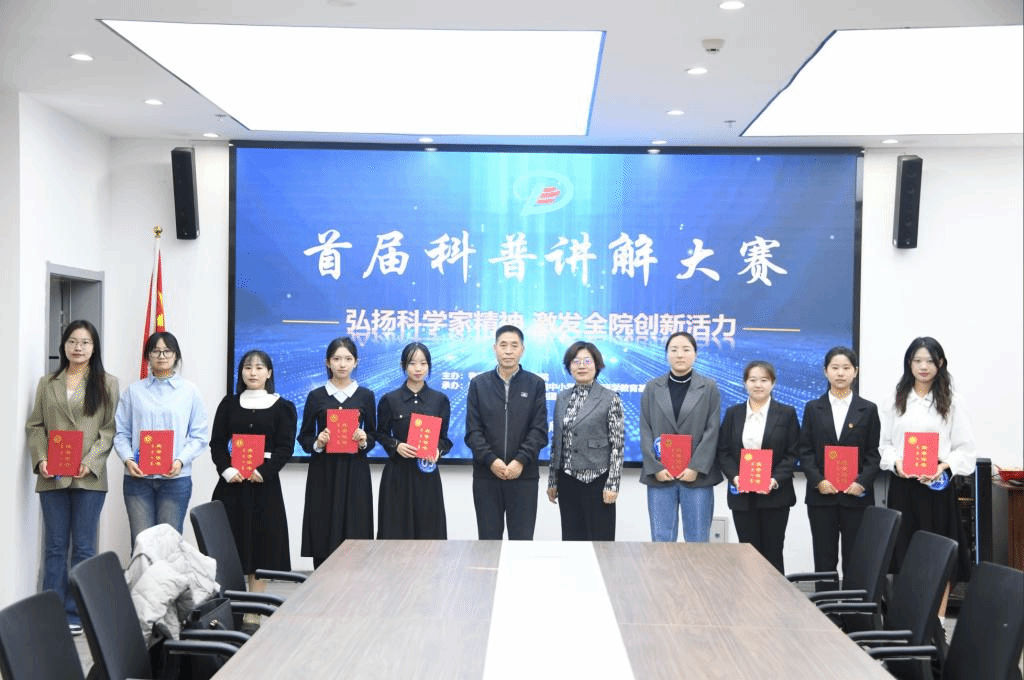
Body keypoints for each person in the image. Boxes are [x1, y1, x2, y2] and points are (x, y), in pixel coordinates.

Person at [25, 320, 119, 635]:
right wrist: (41, 459)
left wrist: (90, 463)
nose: (78, 348)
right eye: (72, 341)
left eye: (85, 342)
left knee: (83, 547)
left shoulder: (107, 383)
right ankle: (50, 611)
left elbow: (109, 430)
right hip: (52, 477)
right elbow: (35, 426)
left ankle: (76, 612)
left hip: (88, 479)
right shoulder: (47, 382)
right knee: (54, 546)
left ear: (94, 347)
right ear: (64, 345)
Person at [879, 337, 975, 582]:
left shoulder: (952, 401)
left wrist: (943, 467)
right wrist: (896, 463)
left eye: (930, 361)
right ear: (909, 363)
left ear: (940, 363)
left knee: (939, 555)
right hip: (903, 486)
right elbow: (885, 444)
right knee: (904, 551)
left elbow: (965, 449)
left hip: (936, 488)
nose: (924, 366)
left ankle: (940, 608)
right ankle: (907, 605)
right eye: (918, 360)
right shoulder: (894, 400)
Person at [209, 349, 296, 597]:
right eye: (248, 367)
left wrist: (265, 471)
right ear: (241, 373)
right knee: (229, 545)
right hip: (232, 485)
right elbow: (217, 443)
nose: (253, 373)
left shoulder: (282, 407)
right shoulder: (229, 404)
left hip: (264, 486)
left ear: (269, 373)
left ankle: (253, 609)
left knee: (261, 547)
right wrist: (226, 470)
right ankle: (231, 604)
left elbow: (285, 448)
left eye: (259, 368)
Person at [114, 331, 209, 550]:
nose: (161, 356)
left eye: (167, 351)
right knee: (142, 544)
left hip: (175, 480)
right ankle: (142, 576)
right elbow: (121, 433)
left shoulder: (190, 391)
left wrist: (180, 461)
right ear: (148, 356)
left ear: (176, 355)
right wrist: (128, 459)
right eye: (155, 351)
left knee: (169, 545)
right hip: (138, 479)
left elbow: (199, 435)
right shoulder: (133, 391)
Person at [797, 346, 881, 585]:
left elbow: (874, 454)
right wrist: (818, 481)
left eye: (846, 368)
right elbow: (805, 451)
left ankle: (854, 608)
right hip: (822, 496)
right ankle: (826, 606)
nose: (840, 373)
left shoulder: (868, 409)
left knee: (856, 558)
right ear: (826, 371)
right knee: (824, 559)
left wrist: (861, 483)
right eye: (835, 368)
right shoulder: (813, 408)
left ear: (856, 372)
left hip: (856, 496)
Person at [465, 325, 548, 540]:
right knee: (488, 542)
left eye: (514, 345)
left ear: (522, 350)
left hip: (524, 476)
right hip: (486, 476)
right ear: (495, 348)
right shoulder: (478, 384)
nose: (508, 351)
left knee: (522, 542)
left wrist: (519, 461)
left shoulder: (535, 384)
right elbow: (473, 431)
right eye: (503, 345)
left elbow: (539, 430)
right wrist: (492, 461)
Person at [298, 336, 376, 567]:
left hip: (355, 473)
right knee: (323, 530)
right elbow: (304, 436)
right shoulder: (316, 396)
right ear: (327, 362)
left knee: (355, 530)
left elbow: (374, 434)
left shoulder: (365, 395)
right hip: (324, 473)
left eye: (348, 359)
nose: (342, 364)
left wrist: (364, 439)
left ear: (356, 362)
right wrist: (318, 442)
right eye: (337, 359)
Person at [716, 360, 800, 572]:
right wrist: (735, 477)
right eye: (753, 380)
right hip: (742, 495)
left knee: (773, 554)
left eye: (764, 380)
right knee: (747, 555)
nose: (758, 385)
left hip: (775, 496)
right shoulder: (733, 413)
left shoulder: (787, 413)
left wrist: (774, 479)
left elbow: (793, 453)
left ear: (773, 383)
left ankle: (774, 594)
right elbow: (723, 451)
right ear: (745, 383)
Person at [639, 331, 722, 542]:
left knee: (697, 539)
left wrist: (696, 467)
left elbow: (712, 430)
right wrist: (656, 467)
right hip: (661, 475)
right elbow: (645, 429)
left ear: (695, 354)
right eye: (673, 350)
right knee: (661, 538)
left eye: (686, 349)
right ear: (666, 354)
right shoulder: (652, 387)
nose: (679, 354)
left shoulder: (709, 387)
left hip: (697, 477)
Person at [546, 341, 624, 541]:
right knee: (571, 542)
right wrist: (553, 480)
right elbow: (557, 442)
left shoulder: (610, 398)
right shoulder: (562, 398)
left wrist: (613, 484)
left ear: (597, 365)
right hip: (567, 481)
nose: (581, 366)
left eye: (587, 361)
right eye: (576, 361)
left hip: (597, 481)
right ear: (569, 366)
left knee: (601, 544)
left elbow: (617, 445)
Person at [375, 342, 452, 539]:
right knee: (395, 531)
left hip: (427, 476)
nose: (418, 368)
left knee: (429, 532)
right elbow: (380, 434)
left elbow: (445, 440)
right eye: (412, 363)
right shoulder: (389, 399)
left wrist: (438, 450)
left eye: (423, 363)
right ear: (403, 365)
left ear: (429, 366)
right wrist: (396, 445)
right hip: (397, 475)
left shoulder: (440, 400)